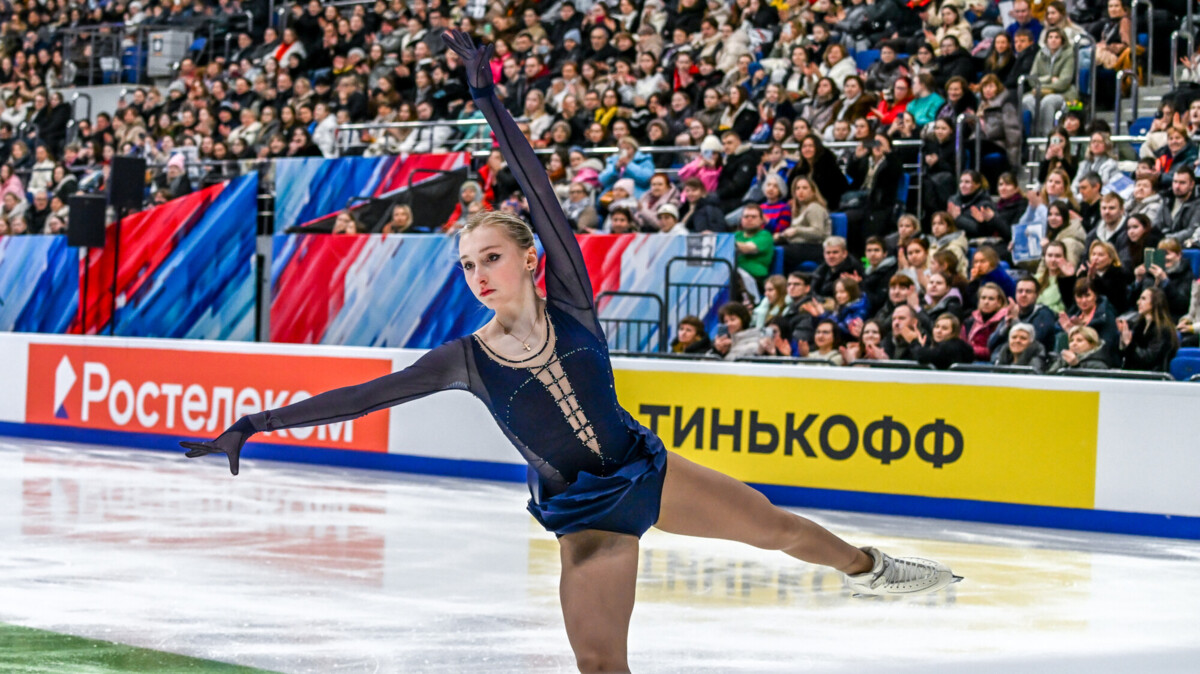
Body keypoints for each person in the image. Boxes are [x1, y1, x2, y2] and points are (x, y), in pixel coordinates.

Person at [183, 33, 961, 672]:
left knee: (783, 530)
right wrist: (254, 422)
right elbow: (360, 398)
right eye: (465, 265)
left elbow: (539, 190)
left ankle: (872, 569)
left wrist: (491, 104)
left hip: (648, 471)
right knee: (600, 668)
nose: (477, 275)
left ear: (525, 260)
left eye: (490, 258)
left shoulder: (574, 301)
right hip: (588, 519)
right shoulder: (464, 359)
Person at [774, 175, 831, 271]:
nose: (800, 191)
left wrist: (797, 230)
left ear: (813, 192)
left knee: (777, 252)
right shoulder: (799, 209)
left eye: (805, 188)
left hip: (814, 248)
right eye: (797, 188)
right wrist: (781, 235)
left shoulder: (814, 207)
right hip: (799, 246)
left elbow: (818, 232)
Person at [1117, 287, 1179, 372]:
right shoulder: (1139, 326)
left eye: (1143, 299)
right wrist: (1123, 339)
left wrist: (1129, 343)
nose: (1138, 302)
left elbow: (1150, 359)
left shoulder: (1163, 330)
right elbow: (1127, 356)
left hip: (1154, 376)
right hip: (1135, 372)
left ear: (1155, 302)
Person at [990, 276, 1058, 352]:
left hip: (1035, 360)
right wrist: (1006, 326)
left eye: (1028, 291)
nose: (1023, 295)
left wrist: (1015, 320)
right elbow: (990, 344)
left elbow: (1032, 342)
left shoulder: (1045, 314)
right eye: (1020, 291)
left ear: (1037, 295)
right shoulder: (1012, 311)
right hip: (1006, 360)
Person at [961, 283, 1009, 361]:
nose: (986, 302)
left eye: (991, 299)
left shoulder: (1005, 322)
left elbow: (996, 351)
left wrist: (970, 350)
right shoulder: (969, 320)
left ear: (999, 302)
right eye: (983, 298)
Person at [910, 314, 976, 369]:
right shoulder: (955, 345)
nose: (938, 331)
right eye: (936, 326)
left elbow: (922, 356)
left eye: (944, 328)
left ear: (953, 332)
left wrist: (914, 341)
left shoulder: (949, 347)